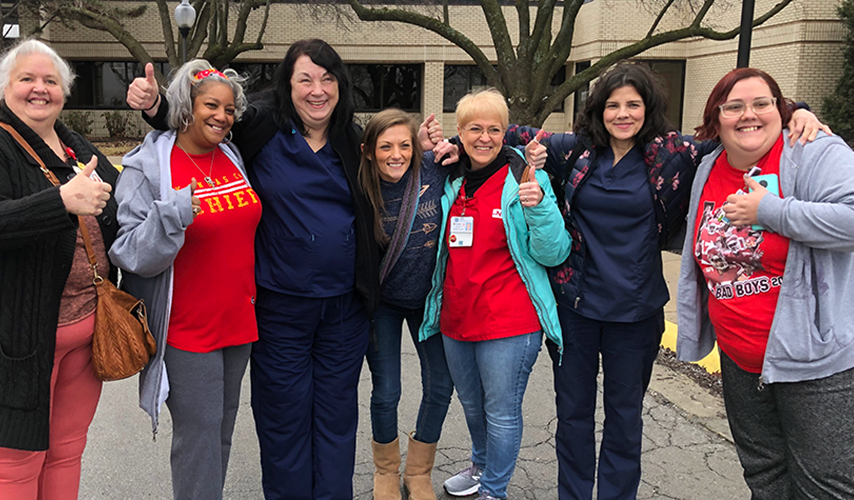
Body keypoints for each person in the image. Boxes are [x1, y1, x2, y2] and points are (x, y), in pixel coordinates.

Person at [504, 63, 830, 500]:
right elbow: (500, 133)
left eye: (633, 105)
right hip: (575, 309)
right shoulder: (575, 150)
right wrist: (440, 149)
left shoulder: (676, 153)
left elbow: (741, 124)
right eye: (613, 105)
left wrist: (797, 112)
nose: (623, 114)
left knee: (624, 421)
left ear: (648, 108)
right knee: (573, 417)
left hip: (636, 313)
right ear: (599, 109)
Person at [125, 39, 419, 499]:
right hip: (280, 309)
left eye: (327, 79)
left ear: (341, 85)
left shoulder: (349, 138)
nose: (317, 90)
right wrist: (157, 103)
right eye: (305, 79)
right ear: (288, 85)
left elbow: (399, 158)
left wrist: (449, 148)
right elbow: (204, 120)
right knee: (284, 420)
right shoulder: (260, 128)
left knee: (337, 419)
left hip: (342, 310)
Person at [676, 67, 854, 500]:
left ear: (781, 110)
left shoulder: (813, 151)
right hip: (744, 358)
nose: (749, 115)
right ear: (715, 119)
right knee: (765, 476)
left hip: (832, 356)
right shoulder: (707, 166)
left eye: (762, 104)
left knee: (824, 488)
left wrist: (771, 211)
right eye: (734, 107)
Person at [0, 38, 117, 500]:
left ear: (65, 91)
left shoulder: (75, 146)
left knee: (67, 451)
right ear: (3, 88)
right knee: (16, 465)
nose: (40, 89)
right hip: (15, 343)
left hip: (86, 332)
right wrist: (61, 202)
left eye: (50, 81)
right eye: (27, 79)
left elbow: (120, 206)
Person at [108, 60, 256, 500]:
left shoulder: (230, 155)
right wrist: (171, 216)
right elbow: (129, 251)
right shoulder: (148, 166)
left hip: (238, 322)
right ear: (186, 107)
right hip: (187, 329)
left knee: (221, 435)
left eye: (229, 109)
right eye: (212, 105)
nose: (222, 117)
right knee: (198, 441)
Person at [418, 88, 570, 500]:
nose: (484, 138)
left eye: (494, 129)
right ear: (460, 132)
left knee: (500, 411)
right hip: (456, 317)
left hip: (509, 321)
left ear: (506, 133)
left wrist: (538, 206)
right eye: (474, 129)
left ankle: (495, 490)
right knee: (471, 404)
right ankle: (481, 466)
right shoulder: (449, 177)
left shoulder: (524, 177)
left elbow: (554, 251)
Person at [357, 109, 457, 500]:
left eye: (403, 145)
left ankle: (418, 472)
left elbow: (488, 155)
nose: (395, 154)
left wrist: (452, 145)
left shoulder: (434, 168)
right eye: (385, 146)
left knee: (440, 384)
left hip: (427, 300)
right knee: (386, 390)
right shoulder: (360, 186)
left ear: (416, 147)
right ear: (368, 151)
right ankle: (385, 471)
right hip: (382, 302)